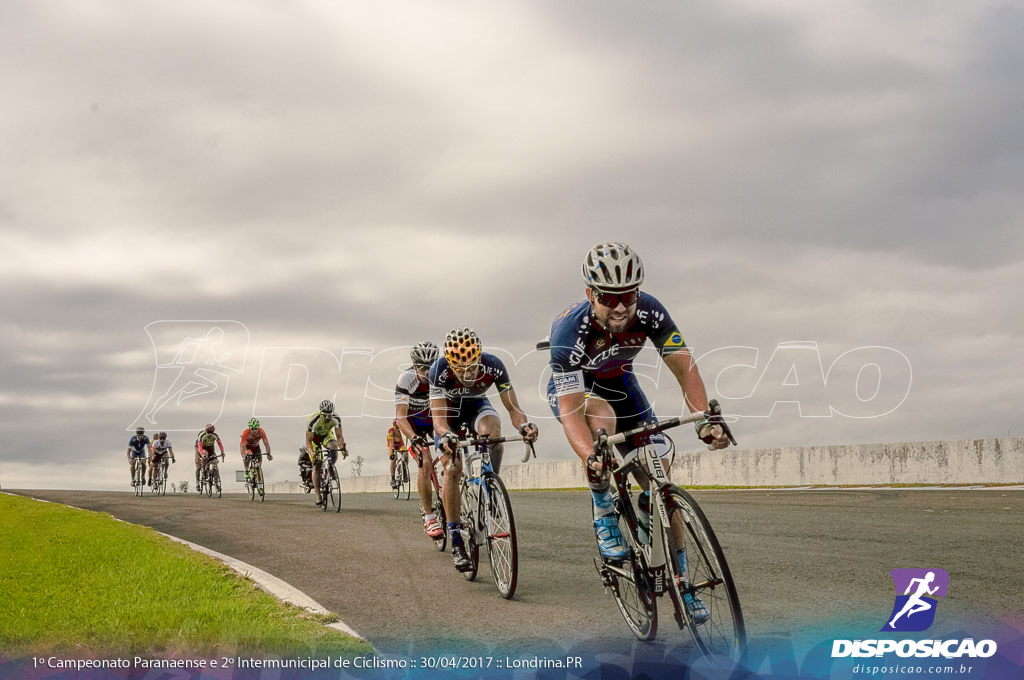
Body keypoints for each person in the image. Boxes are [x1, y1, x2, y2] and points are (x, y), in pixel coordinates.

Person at [546, 242, 730, 623]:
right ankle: (603, 508)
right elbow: (570, 413)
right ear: (590, 295)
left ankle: (682, 580)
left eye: (628, 296)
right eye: (608, 297)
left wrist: (704, 421)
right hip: (581, 394)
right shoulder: (568, 330)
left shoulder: (650, 311)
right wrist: (591, 458)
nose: (619, 307)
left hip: (621, 383)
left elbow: (684, 367)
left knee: (660, 475)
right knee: (602, 424)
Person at [431, 328, 538, 571]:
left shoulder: (493, 365)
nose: (468, 374)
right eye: (461, 369)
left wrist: (524, 425)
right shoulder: (439, 369)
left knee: (493, 431)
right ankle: (457, 537)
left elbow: (513, 409)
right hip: (449, 415)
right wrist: (446, 435)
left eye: (472, 367)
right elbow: (437, 419)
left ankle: (491, 482)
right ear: (450, 364)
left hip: (478, 407)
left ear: (479, 357)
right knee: (453, 466)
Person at [396, 340, 444, 540]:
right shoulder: (406, 379)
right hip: (412, 424)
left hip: (434, 420)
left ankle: (451, 501)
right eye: (421, 367)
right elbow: (400, 417)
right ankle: (429, 516)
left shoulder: (441, 376)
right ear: (414, 365)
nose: (426, 372)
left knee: (451, 457)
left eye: (430, 367)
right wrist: (414, 438)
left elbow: (445, 412)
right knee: (424, 461)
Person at [305, 400, 349, 507]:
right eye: (325, 415)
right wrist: (312, 453)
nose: (327, 418)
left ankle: (330, 467)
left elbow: (339, 437)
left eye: (329, 415)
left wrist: (342, 448)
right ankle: (318, 496)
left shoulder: (336, 418)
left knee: (333, 447)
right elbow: (308, 442)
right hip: (314, 439)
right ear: (321, 413)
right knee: (316, 465)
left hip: (326, 435)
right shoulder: (313, 421)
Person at [240, 418, 273, 496]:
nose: (254, 431)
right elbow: (242, 447)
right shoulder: (245, 433)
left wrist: (269, 453)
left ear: (258, 428)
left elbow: (266, 444)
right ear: (250, 429)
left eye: (256, 429)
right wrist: (244, 456)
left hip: (256, 448)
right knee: (249, 454)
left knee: (258, 467)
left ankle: (260, 487)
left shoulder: (261, 432)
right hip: (247, 448)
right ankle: (246, 471)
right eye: (252, 429)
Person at [194, 423, 225, 491]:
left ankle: (217, 484)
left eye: (211, 433)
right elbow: (199, 447)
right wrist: (201, 454)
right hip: (202, 448)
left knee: (215, 464)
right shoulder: (201, 436)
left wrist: (222, 452)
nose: (210, 435)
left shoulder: (215, 435)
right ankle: (198, 483)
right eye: (208, 433)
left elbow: (219, 443)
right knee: (199, 466)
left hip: (211, 449)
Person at [385, 419, 406, 489]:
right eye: (396, 426)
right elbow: (391, 443)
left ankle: (404, 471)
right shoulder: (391, 430)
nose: (397, 428)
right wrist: (391, 454)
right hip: (392, 445)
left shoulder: (402, 429)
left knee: (405, 454)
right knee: (394, 459)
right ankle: (393, 478)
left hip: (400, 444)